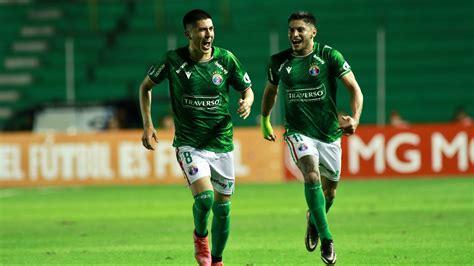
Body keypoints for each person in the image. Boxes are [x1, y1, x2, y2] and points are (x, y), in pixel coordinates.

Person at [139, 9, 254, 266]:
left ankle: (217, 260)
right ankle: (201, 237)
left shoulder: (226, 60)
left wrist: (246, 102)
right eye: (202, 29)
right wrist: (148, 125)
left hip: (222, 143)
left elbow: (248, 90)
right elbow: (145, 87)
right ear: (188, 33)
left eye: (211, 29)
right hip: (190, 144)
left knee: (223, 209)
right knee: (205, 198)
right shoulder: (173, 60)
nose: (208, 34)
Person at [260, 11, 363, 265]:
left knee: (330, 192)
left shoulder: (329, 56)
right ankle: (328, 239)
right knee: (311, 174)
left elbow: (355, 89)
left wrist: (355, 119)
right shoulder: (279, 62)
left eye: (300, 30)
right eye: (291, 30)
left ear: (312, 32)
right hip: (298, 132)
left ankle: (314, 221)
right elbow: (270, 92)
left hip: (329, 134)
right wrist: (265, 120)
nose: (294, 35)